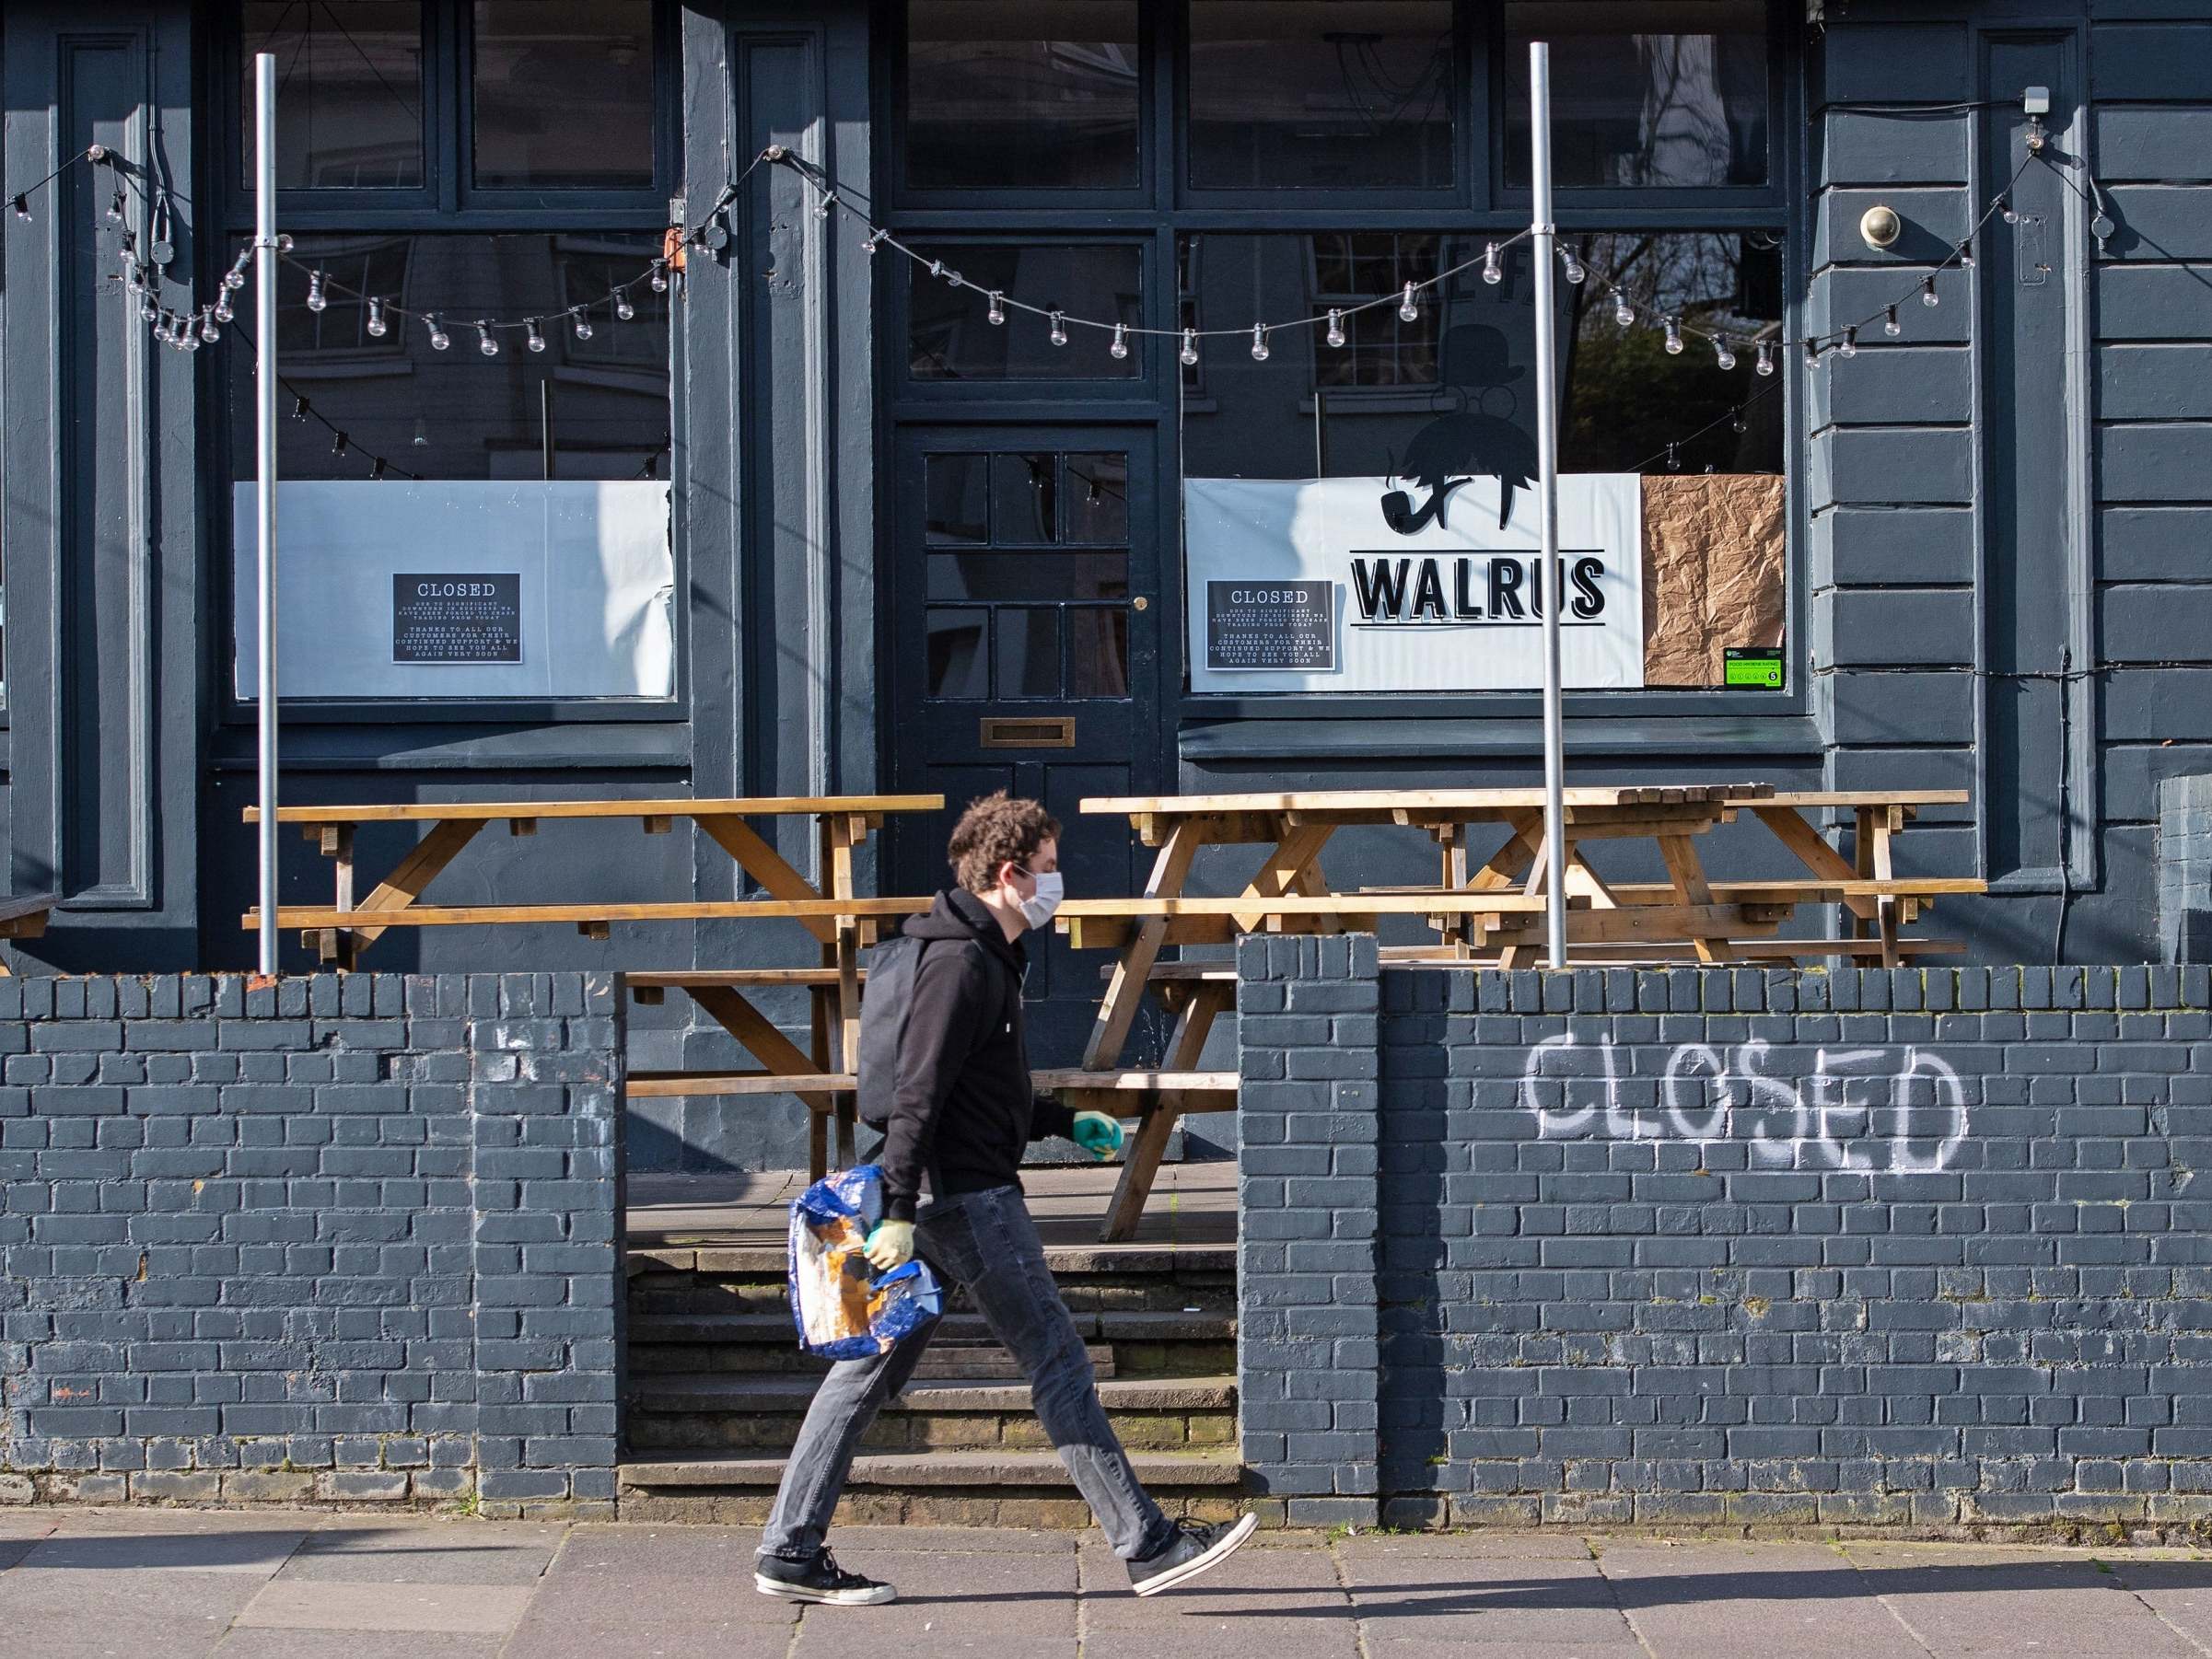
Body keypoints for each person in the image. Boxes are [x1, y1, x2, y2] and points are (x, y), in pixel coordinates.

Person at [755, 791, 1256, 1606]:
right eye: (1051, 869)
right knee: (1057, 1360)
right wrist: (897, 1213)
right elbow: (917, 1092)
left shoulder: (972, 953)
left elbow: (973, 1087)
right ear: (1009, 873)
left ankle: (788, 1547)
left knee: (867, 1375)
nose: (1059, 885)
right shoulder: (961, 963)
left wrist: (1060, 1119)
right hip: (967, 1204)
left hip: (949, 1195)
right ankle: (1148, 1543)